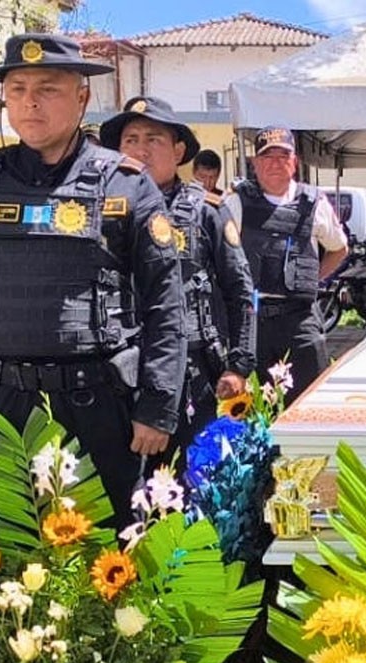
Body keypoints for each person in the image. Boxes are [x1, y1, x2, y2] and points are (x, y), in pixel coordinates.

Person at [0, 33, 186, 529]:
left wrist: (157, 406)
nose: (30, 102)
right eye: (16, 89)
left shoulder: (126, 183)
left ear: (82, 96)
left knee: (107, 560)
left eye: (48, 88)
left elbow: (165, 305)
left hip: (99, 406)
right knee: (5, 556)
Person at [100, 97, 254, 467]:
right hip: (118, 369)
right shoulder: (100, 210)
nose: (141, 149)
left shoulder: (206, 211)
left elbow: (241, 291)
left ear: (179, 150)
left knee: (193, 481)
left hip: (193, 373)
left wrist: (239, 366)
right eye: (131, 140)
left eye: (153, 139)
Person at [224, 126, 348, 401]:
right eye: (268, 156)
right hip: (252, 321)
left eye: (284, 156)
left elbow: (339, 249)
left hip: (300, 318)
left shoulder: (314, 203)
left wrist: (312, 281)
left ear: (295, 163)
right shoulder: (236, 203)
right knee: (254, 408)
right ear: (255, 163)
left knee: (309, 404)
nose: (276, 163)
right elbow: (223, 258)